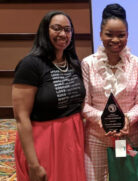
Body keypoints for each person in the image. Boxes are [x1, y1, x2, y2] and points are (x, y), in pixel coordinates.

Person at [12, 11, 86, 181]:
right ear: (45, 31)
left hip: (72, 140)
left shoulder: (73, 63)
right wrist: (33, 164)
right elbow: (21, 118)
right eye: (57, 28)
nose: (63, 34)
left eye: (68, 30)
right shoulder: (30, 64)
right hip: (43, 142)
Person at [81, 3, 138, 181]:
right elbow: (84, 105)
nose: (116, 40)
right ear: (101, 34)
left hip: (129, 134)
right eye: (109, 34)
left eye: (121, 35)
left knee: (126, 177)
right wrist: (103, 120)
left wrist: (126, 120)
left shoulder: (137, 63)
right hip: (96, 136)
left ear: (128, 35)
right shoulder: (88, 63)